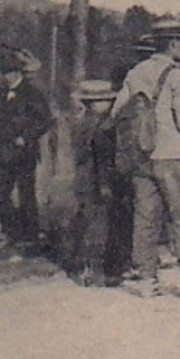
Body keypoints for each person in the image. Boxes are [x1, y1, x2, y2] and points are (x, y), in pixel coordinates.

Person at [112, 18, 180, 298]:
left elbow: (117, 112)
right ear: (173, 44)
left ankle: (146, 279)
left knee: (146, 217)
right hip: (172, 156)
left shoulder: (136, 72)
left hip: (142, 157)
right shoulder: (176, 75)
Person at [0, 50, 51, 245]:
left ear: (20, 73)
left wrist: (25, 136)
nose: (8, 76)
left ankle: (30, 235)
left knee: (26, 194)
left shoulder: (32, 93)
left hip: (23, 153)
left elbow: (44, 120)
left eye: (11, 72)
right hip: (1, 151)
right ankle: (11, 231)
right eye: (5, 73)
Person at [67, 79, 123, 285]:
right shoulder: (101, 126)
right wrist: (105, 184)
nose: (108, 104)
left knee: (84, 221)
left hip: (83, 180)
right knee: (97, 225)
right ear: (94, 103)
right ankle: (94, 271)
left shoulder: (81, 122)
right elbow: (101, 158)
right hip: (96, 181)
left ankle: (81, 268)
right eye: (104, 101)